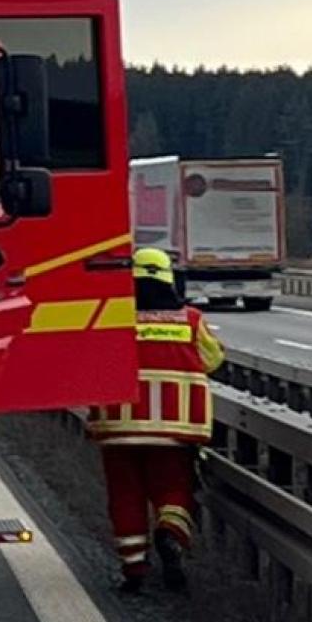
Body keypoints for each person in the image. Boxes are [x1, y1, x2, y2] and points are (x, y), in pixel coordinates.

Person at [86, 247, 224, 591]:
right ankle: (170, 532)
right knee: (173, 488)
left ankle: (134, 571)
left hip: (118, 425)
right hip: (174, 428)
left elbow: (92, 361)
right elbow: (213, 360)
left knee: (125, 495)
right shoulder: (190, 320)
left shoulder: (113, 316)